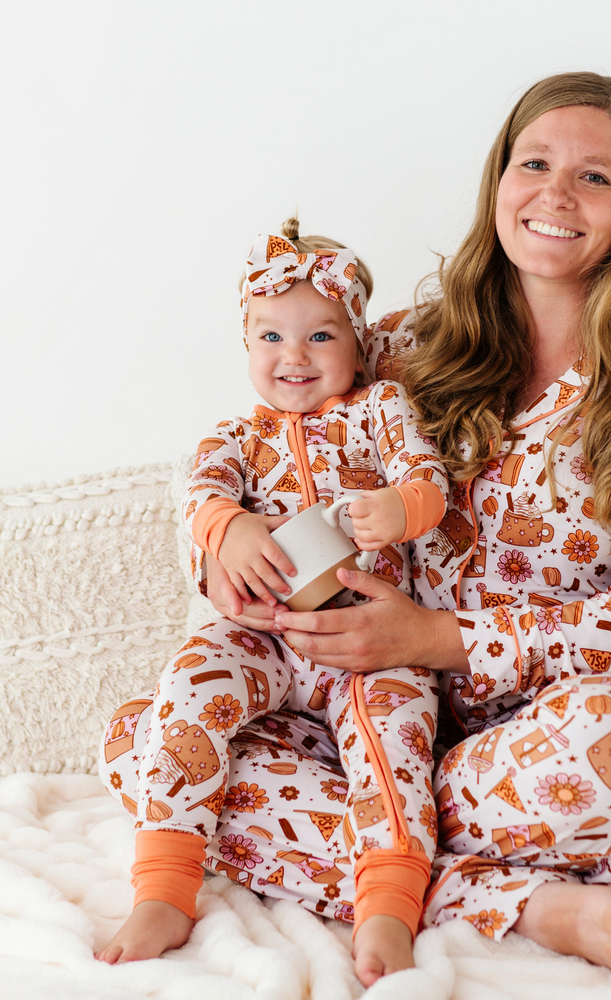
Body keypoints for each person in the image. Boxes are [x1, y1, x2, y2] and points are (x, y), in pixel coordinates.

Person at [99, 71, 611, 987]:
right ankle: (514, 899)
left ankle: (399, 853)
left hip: (552, 732)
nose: (556, 195)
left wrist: (437, 637)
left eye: (595, 178)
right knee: (144, 738)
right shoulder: (400, 344)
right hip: (376, 717)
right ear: (498, 184)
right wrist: (225, 558)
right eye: (535, 163)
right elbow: (267, 457)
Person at [96, 224, 453, 983]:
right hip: (264, 636)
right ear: (247, 344)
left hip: (368, 637)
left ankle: (388, 904)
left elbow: (426, 476)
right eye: (271, 336)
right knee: (187, 686)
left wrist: (402, 507)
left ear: (357, 349)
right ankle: (164, 885)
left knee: (394, 742)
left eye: (320, 336)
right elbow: (202, 500)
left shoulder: (379, 410)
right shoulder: (235, 436)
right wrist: (230, 532)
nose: (294, 357)